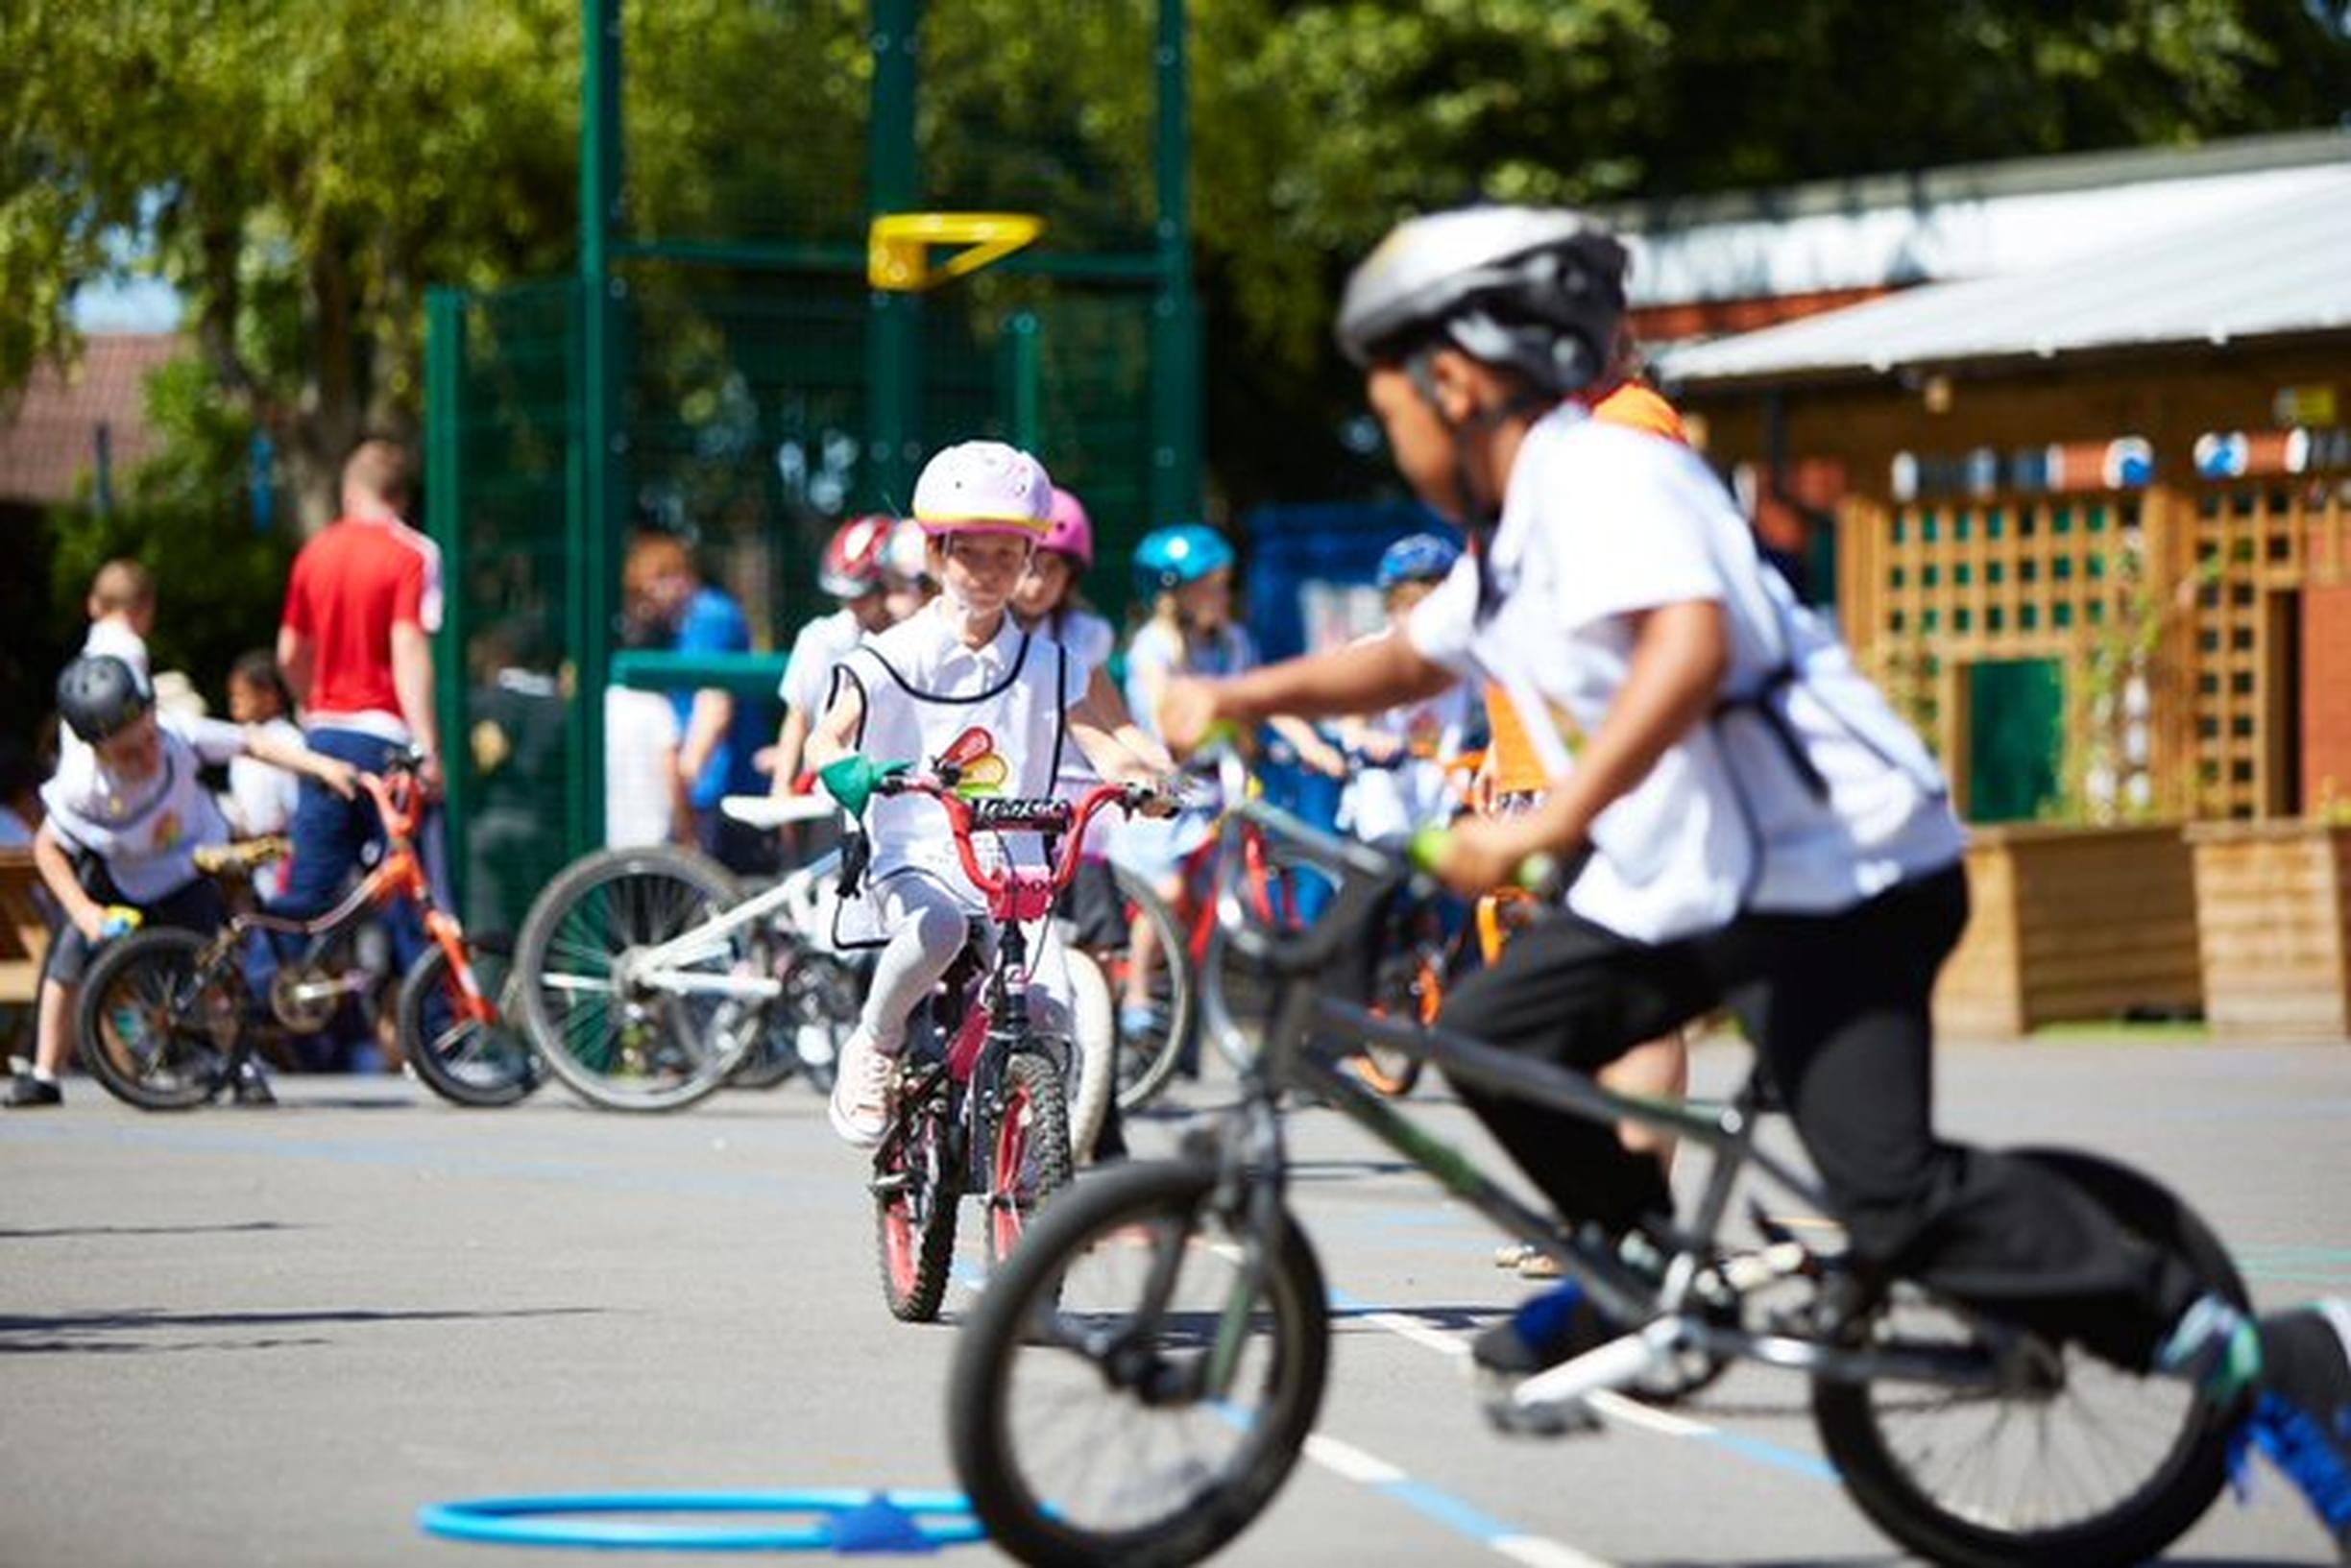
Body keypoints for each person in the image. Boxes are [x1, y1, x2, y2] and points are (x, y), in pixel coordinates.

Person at [1159, 203, 2351, 1544]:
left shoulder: (1613, 472)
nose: (1387, 428)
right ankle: (1637, 1268)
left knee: (1890, 1197)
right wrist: (1235, 694)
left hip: (1839, 871)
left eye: (1390, 397)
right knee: (1495, 1031)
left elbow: (1689, 648)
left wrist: (1547, 824)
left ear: (1461, 377)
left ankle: (2253, 1353)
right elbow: (1415, 658)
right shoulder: (1524, 516)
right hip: (1701, 877)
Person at [807, 441, 1175, 1147]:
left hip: (1012, 859)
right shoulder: (891, 653)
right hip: (914, 851)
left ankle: (1025, 1154)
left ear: (1032, 560)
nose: (988, 571)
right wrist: (849, 771)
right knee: (938, 928)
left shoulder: (1050, 661)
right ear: (939, 554)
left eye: (1009, 555)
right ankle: (876, 1047)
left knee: (1056, 1002)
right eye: (970, 554)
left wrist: (1144, 781)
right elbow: (828, 739)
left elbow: (1105, 742)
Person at [7, 656, 355, 1108]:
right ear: (97, 748)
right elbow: (47, 848)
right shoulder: (81, 785)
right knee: (68, 957)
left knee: (213, 965)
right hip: (120, 869)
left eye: (148, 738)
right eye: (128, 752)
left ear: (153, 716)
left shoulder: (179, 735)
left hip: (184, 867)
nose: (147, 753)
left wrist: (320, 766)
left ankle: (241, 1067)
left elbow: (253, 743)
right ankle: (44, 1073)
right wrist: (85, 912)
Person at [1113, 523, 1345, 1048]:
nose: (1221, 595)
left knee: (1244, 874)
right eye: (1209, 586)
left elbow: (1264, 702)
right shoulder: (1156, 647)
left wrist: (1310, 744)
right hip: (1169, 791)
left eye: (1223, 583)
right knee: (1169, 891)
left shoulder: (1236, 641)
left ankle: (1254, 979)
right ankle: (1138, 994)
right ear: (1173, 593)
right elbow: (1165, 716)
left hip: (1220, 788)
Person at [272, 438, 445, 984]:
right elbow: (409, 649)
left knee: (308, 888)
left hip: (325, 738)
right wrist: (429, 749)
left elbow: (288, 653)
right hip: (386, 738)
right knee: (411, 886)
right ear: (402, 495)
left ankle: (248, 1001)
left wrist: (309, 705)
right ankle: (438, 1030)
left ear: (351, 490)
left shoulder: (315, 551)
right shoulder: (413, 553)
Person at [623, 531, 775, 876]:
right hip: (707, 787)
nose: (646, 603)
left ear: (673, 576)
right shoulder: (681, 627)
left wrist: (682, 780)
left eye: (648, 589)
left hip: (720, 788)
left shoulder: (709, 617)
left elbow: (714, 707)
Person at [1331, 533, 1476, 850]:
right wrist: (1370, 739)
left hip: (1443, 807)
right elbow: (1350, 722)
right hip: (1382, 814)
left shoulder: (1466, 659)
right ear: (1391, 609)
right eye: (1409, 607)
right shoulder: (1374, 654)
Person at [768, 516, 899, 799]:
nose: (852, 606)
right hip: (828, 794)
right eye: (845, 596)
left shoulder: (916, 643)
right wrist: (781, 790)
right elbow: (798, 717)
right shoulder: (821, 638)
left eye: (862, 595)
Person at [219, 652, 303, 901]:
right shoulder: (240, 742)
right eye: (232, 695)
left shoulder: (289, 741)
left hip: (286, 857)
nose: (234, 702)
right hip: (255, 862)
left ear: (269, 696)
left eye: (241, 694)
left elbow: (295, 803)